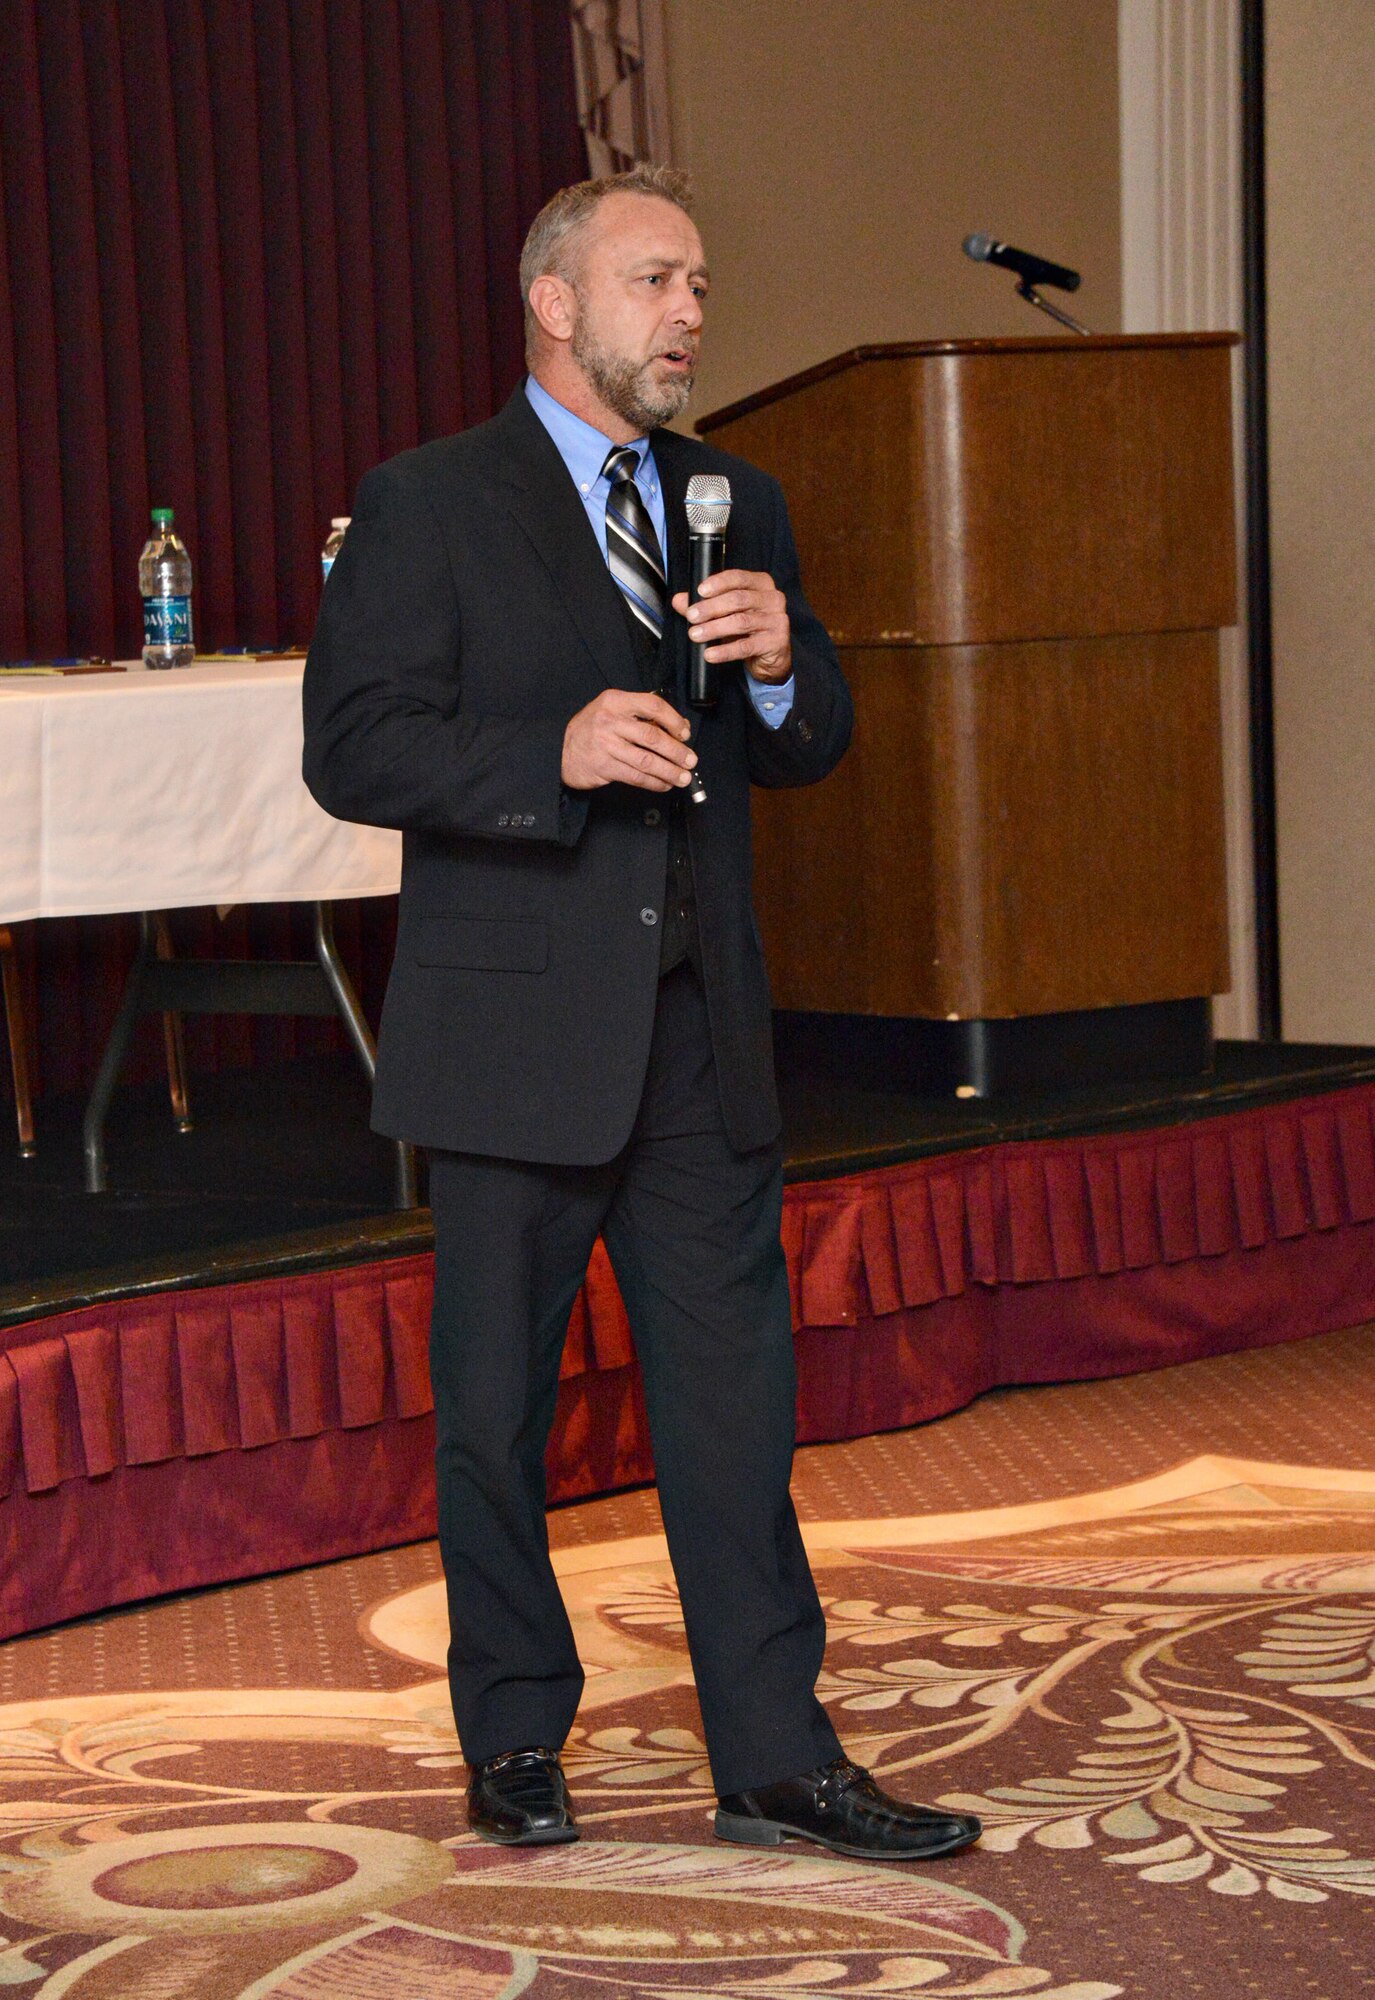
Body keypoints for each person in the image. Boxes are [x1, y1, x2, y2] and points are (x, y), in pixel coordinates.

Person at [303, 164, 980, 1865]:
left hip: (700, 1030)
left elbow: (813, 728)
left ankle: (773, 1752)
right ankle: (515, 1735)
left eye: (699, 286)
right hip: (514, 1033)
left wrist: (771, 665)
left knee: (738, 1411)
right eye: (660, 282)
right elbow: (354, 746)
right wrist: (552, 754)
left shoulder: (734, 497)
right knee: (494, 1413)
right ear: (557, 301)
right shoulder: (428, 502)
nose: (692, 313)